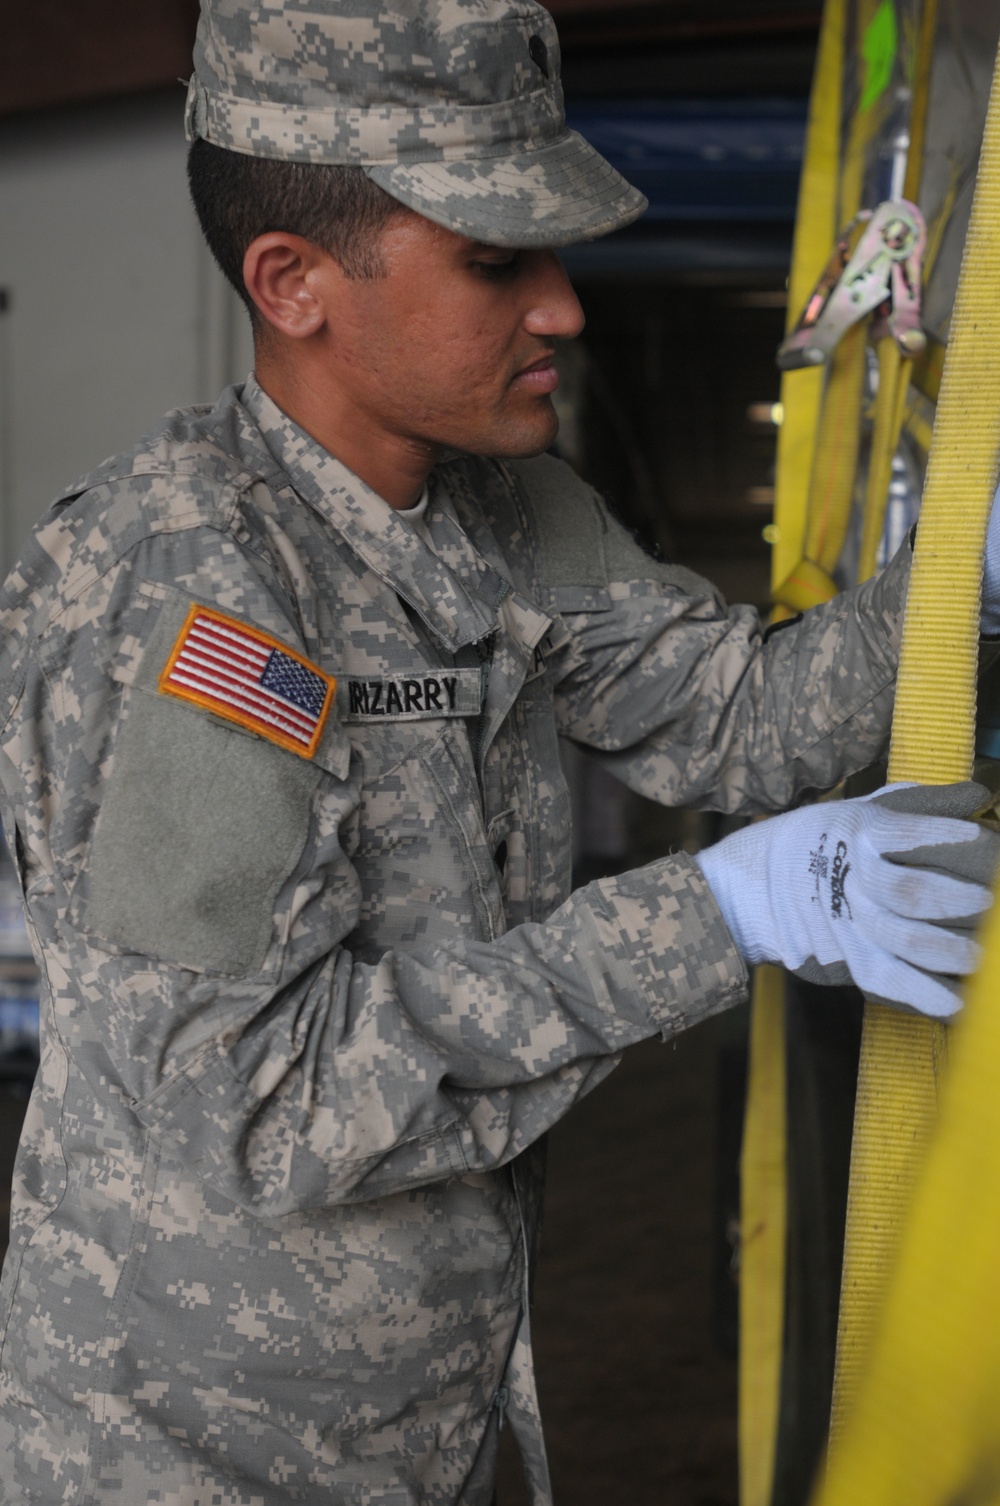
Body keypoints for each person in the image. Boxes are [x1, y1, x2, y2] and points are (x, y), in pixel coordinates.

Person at [0, 2, 996, 1502]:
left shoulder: (505, 510)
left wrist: (964, 582)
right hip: (211, 1449)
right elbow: (266, 1096)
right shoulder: (198, 590)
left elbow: (738, 713)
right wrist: (719, 911)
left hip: (449, 1412)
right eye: (494, 259)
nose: (565, 308)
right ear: (295, 282)